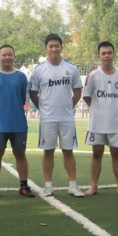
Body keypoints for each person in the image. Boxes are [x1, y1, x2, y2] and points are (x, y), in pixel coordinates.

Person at [29, 34, 84, 198]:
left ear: (61, 47)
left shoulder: (71, 68)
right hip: (48, 119)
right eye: (51, 46)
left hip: (66, 118)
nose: (54, 49)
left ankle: (73, 185)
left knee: (69, 151)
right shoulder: (39, 70)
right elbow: (33, 94)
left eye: (57, 46)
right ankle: (48, 186)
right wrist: (44, 109)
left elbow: (77, 92)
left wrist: (69, 106)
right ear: (46, 48)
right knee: (48, 152)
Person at [82, 41, 118, 196]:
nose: (106, 56)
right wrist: (98, 109)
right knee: (96, 153)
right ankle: (93, 186)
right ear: (99, 56)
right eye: (103, 53)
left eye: (109, 53)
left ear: (113, 54)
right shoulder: (93, 75)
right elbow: (86, 97)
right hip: (97, 122)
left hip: (115, 122)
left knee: (117, 155)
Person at [0, 44, 34, 198]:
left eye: (9, 54)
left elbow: (25, 99)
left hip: (18, 122)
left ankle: (24, 186)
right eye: (4, 55)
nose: (7, 57)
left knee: (20, 153)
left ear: (14, 57)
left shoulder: (21, 76)